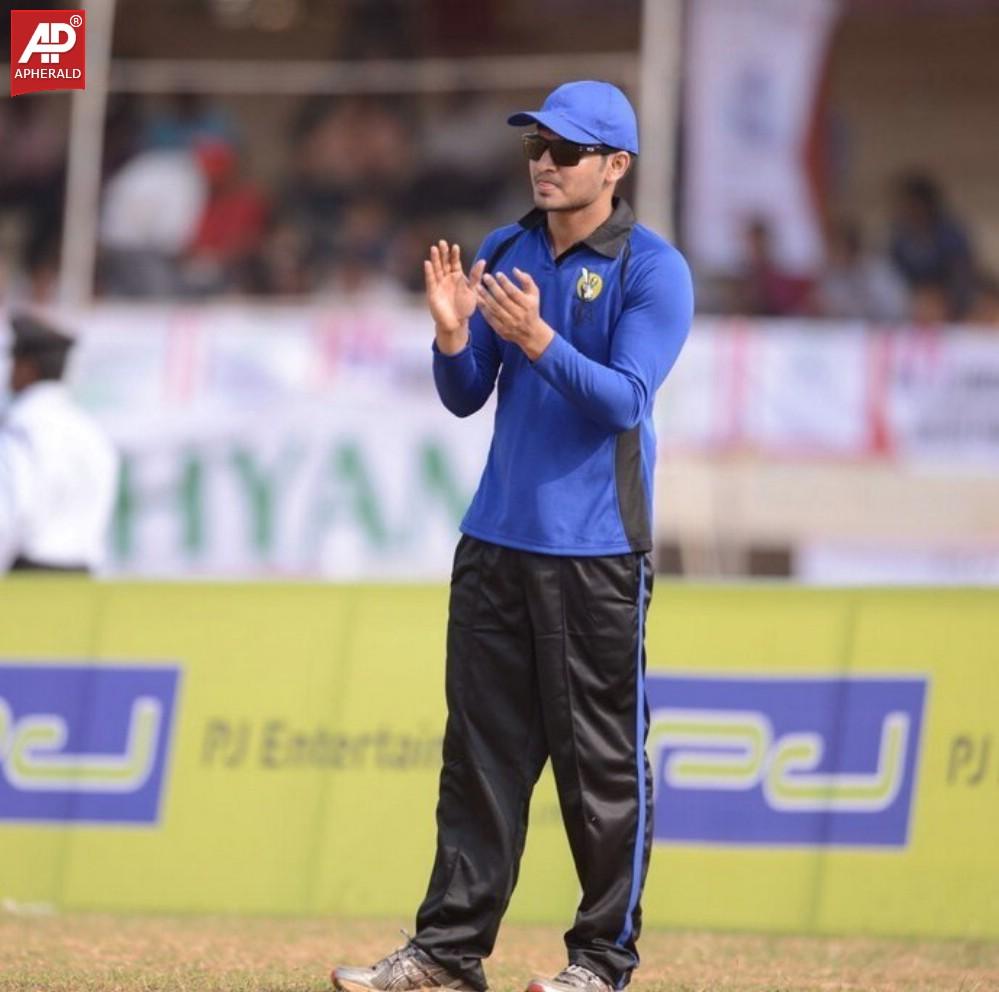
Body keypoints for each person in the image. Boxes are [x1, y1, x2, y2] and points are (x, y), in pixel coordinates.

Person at [332, 81, 694, 992]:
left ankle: (600, 964)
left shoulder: (652, 269)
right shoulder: (503, 249)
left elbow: (624, 399)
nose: (543, 163)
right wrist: (453, 338)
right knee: (479, 764)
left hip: (597, 550)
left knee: (600, 773)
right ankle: (449, 956)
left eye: (566, 151)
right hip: (494, 542)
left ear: (614, 166)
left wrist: (534, 337)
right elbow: (464, 397)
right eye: (536, 146)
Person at [0, 313, 119, 573]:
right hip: (81, 577)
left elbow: (10, 510)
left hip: (28, 574)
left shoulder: (22, 429)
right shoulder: (91, 432)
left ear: (27, 368)